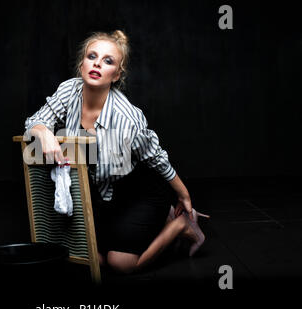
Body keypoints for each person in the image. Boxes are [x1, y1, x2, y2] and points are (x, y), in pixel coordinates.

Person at [24, 30, 209, 274]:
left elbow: (156, 158)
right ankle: (156, 223)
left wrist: (183, 196)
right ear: (82, 65)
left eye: (108, 61)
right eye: (92, 56)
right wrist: (43, 132)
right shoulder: (69, 91)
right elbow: (36, 121)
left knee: (119, 264)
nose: (98, 63)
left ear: (117, 75)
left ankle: (180, 226)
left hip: (139, 191)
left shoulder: (127, 117)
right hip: (103, 194)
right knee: (87, 256)